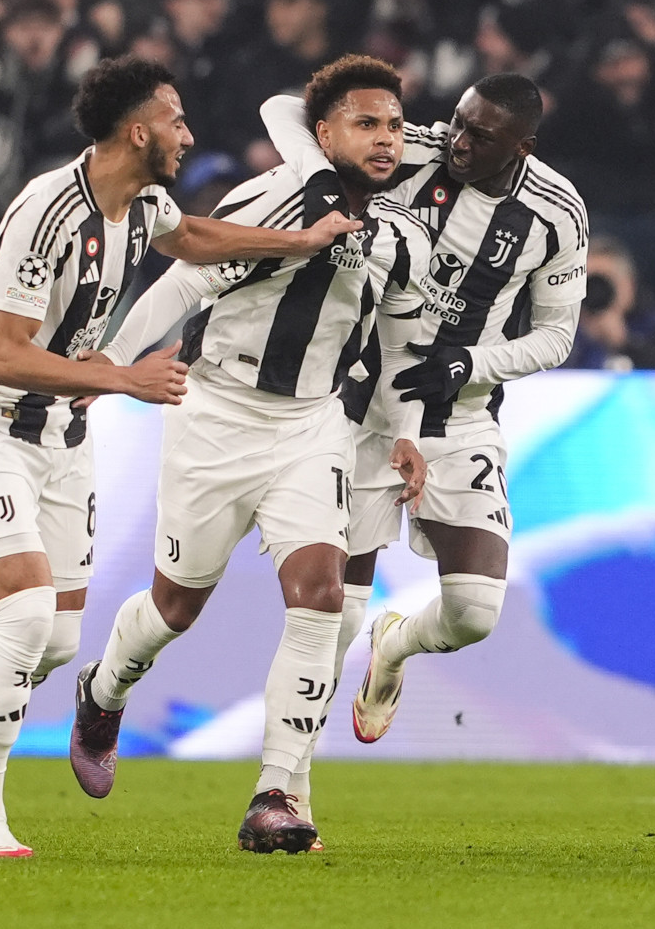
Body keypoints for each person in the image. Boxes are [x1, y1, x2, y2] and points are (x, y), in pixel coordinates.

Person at [0, 55, 360, 859]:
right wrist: (121, 376)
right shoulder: (46, 212)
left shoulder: (143, 203)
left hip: (61, 432)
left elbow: (194, 239)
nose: (188, 134)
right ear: (139, 132)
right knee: (25, 617)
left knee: (54, 645)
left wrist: (300, 239)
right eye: (176, 120)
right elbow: (3, 354)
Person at [67, 55, 429, 855]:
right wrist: (111, 365)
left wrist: (405, 427)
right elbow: (182, 282)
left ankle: (276, 794)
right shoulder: (274, 201)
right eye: (365, 124)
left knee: (320, 594)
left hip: (311, 425)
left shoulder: (400, 234)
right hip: (216, 416)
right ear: (323, 133)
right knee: (174, 608)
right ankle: (103, 689)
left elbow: (402, 338)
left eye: (394, 126)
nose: (384, 139)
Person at [260, 72, 588, 758]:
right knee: (335, 618)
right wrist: (320, 180)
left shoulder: (557, 212)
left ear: (521, 148)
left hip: (459, 414)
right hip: (359, 409)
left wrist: (467, 363)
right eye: (458, 122)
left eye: (480, 136)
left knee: (474, 614)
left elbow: (556, 337)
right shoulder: (412, 147)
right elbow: (285, 108)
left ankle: (396, 645)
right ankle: (287, 781)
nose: (458, 142)